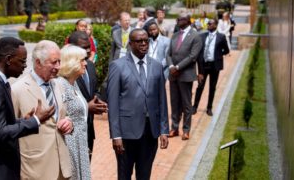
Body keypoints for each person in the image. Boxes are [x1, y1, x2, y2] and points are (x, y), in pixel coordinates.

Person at [107, 28, 169, 180]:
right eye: (139, 41)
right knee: (124, 175)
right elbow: (113, 103)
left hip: (150, 132)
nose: (143, 44)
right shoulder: (118, 66)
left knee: (144, 175)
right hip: (126, 132)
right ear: (130, 44)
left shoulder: (156, 66)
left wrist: (164, 130)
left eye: (146, 41)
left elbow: (162, 100)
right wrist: (116, 135)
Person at [11, 40, 73, 180]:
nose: (58, 67)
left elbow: (65, 115)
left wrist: (69, 123)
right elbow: (10, 131)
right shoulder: (17, 90)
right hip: (35, 171)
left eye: (59, 62)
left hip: (62, 169)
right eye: (53, 62)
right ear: (38, 62)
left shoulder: (58, 85)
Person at [0, 37, 55, 180]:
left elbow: (2, 123)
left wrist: (22, 121)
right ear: (9, 59)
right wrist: (35, 120)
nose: (24, 66)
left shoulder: (2, 83)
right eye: (22, 61)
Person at [68, 31, 108, 160]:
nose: (87, 51)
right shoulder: (64, 72)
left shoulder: (90, 66)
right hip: (71, 133)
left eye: (88, 47)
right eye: (83, 48)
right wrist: (87, 106)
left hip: (88, 130)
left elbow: (94, 90)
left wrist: (97, 100)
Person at [166, 12, 202, 140]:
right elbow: (168, 54)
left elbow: (193, 57)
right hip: (173, 75)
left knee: (186, 104)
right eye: (177, 19)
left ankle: (186, 130)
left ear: (187, 20)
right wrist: (171, 67)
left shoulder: (196, 36)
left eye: (180, 19)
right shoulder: (175, 35)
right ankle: (174, 128)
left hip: (185, 74)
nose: (178, 21)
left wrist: (178, 67)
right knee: (174, 102)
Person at [57, 45, 91, 180]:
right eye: (82, 60)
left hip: (80, 143)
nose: (86, 63)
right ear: (72, 62)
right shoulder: (60, 84)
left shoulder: (73, 82)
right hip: (69, 145)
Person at [192, 19, 230, 116]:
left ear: (216, 25)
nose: (208, 25)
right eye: (208, 23)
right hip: (204, 65)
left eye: (210, 23)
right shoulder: (202, 36)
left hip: (214, 66)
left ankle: (209, 108)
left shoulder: (221, 37)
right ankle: (195, 107)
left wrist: (218, 56)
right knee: (200, 86)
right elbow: (199, 51)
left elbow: (226, 50)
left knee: (212, 87)